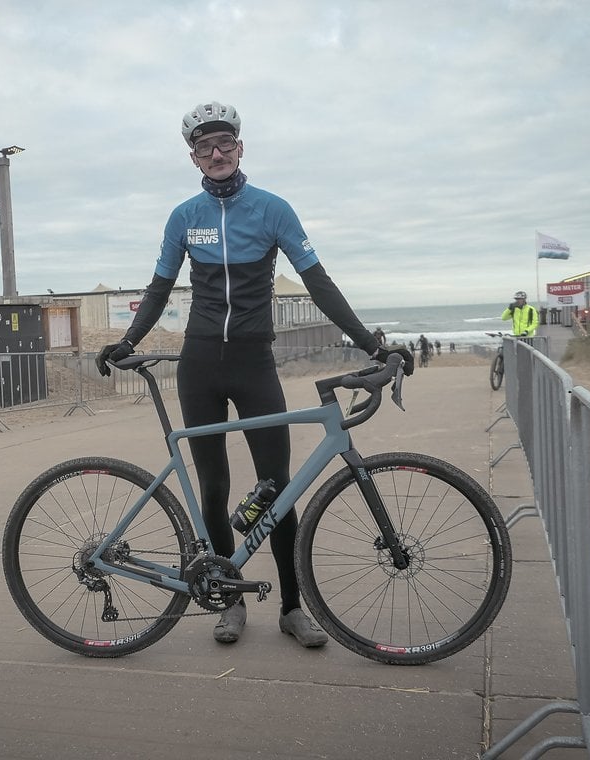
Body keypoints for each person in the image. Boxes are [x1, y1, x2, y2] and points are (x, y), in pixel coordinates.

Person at [97, 101, 414, 648]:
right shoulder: (184, 217)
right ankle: (230, 600)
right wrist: (127, 341)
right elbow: (158, 289)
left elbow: (318, 282)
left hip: (253, 362)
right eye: (204, 147)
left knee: (281, 491)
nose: (216, 154)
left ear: (240, 147)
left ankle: (293, 608)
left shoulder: (272, 210)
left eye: (225, 143)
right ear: (193, 157)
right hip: (199, 364)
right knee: (214, 488)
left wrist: (368, 342)